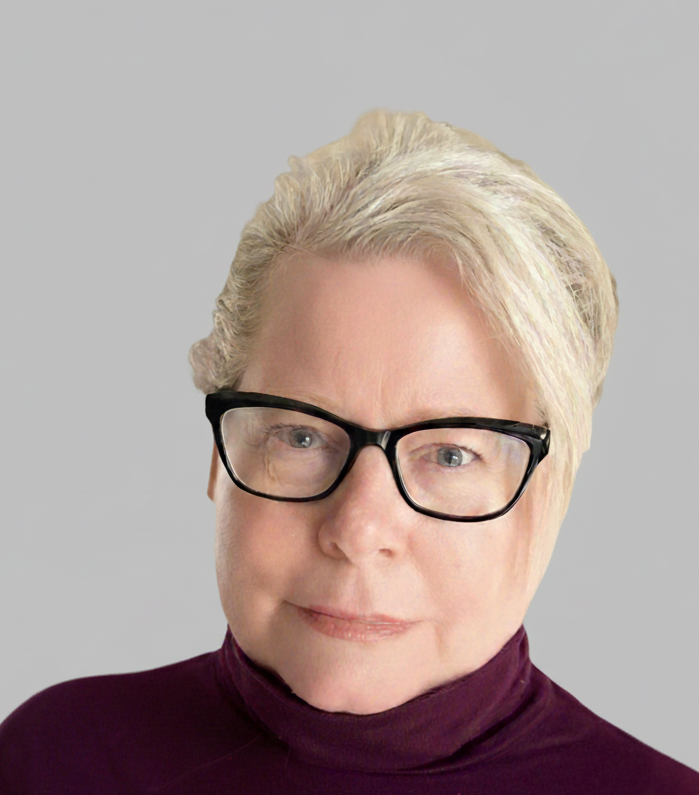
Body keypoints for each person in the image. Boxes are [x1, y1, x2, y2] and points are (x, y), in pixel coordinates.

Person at [1, 110, 697, 794]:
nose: (358, 529)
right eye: (301, 435)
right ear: (218, 456)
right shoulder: (50, 761)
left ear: (549, 493)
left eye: (450, 454)